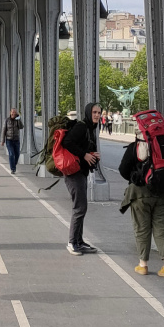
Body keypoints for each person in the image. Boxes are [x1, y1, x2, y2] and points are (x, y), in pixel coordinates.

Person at [119, 140, 164, 278]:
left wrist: (136, 177)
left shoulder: (135, 147)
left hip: (140, 194)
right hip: (163, 193)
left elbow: (123, 170)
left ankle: (143, 265)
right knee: (162, 230)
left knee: (142, 229)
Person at [60, 103, 101, 256]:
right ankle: (72, 242)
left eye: (99, 112)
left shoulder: (91, 128)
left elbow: (86, 148)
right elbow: (67, 142)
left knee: (81, 207)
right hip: (73, 172)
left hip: (81, 171)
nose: (97, 115)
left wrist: (93, 155)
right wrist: (84, 154)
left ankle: (79, 241)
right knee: (79, 207)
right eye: (94, 112)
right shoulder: (81, 126)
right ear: (88, 112)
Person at [0, 108, 24, 174]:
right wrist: (2, 140)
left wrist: (19, 119)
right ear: (10, 113)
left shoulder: (18, 120)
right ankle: (13, 169)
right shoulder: (7, 120)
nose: (13, 114)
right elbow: (3, 131)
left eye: (15, 113)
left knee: (17, 154)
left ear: (16, 113)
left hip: (16, 140)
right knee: (11, 154)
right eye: (12, 112)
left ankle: (13, 165)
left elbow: (21, 127)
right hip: (9, 140)